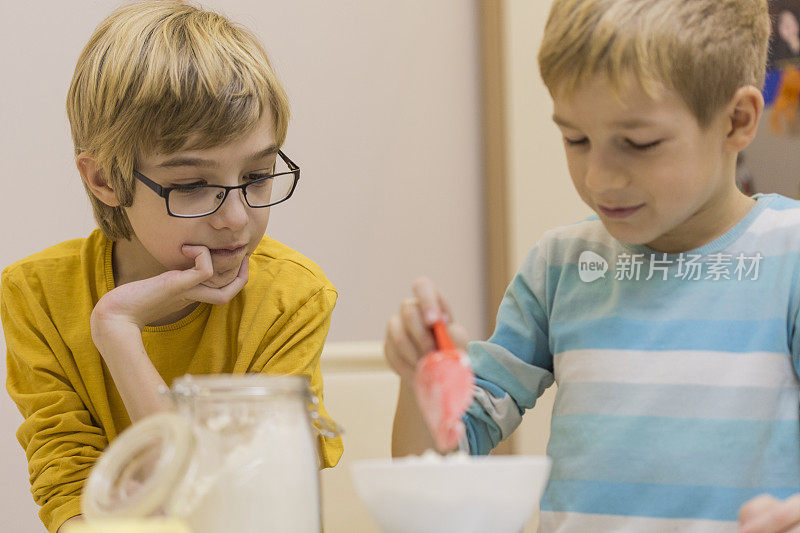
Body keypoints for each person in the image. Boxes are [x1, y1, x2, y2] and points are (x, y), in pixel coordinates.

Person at [385, 0, 800, 531]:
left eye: (638, 143)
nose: (600, 179)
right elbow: (437, 467)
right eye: (575, 139)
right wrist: (425, 381)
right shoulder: (560, 268)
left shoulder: (788, 258)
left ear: (737, 121)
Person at [0, 2, 342, 532]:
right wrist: (115, 325)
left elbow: (229, 506)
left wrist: (117, 331)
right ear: (104, 181)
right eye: (191, 185)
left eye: (258, 175)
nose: (236, 218)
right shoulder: (36, 295)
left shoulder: (292, 296)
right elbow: (71, 492)